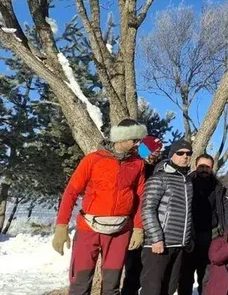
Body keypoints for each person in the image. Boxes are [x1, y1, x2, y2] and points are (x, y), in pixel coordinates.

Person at [53, 119, 147, 295]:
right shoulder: (93, 159)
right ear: (121, 138)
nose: (138, 144)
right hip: (88, 228)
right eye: (134, 140)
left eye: (139, 140)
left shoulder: (138, 163)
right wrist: (61, 226)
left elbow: (140, 198)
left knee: (112, 286)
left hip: (120, 230)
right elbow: (71, 192)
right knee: (80, 284)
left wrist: (138, 228)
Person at [141, 139, 194, 295]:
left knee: (169, 289)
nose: (185, 156)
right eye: (180, 153)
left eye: (188, 153)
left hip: (179, 244)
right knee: (152, 289)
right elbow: (147, 209)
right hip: (159, 244)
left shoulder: (187, 181)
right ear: (171, 155)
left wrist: (188, 238)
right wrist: (156, 238)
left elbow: (188, 212)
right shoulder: (159, 178)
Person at [179, 153, 228, 295]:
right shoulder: (186, 183)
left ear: (212, 168)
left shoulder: (218, 185)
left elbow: (225, 206)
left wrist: (226, 228)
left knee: (207, 272)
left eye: (207, 167)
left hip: (211, 233)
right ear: (195, 166)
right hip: (190, 233)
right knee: (186, 272)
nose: (204, 169)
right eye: (201, 166)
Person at [122, 134, 165, 295]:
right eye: (154, 151)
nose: (156, 155)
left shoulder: (158, 169)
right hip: (133, 224)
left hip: (152, 226)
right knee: (132, 270)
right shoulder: (134, 166)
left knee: (149, 274)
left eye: (158, 152)